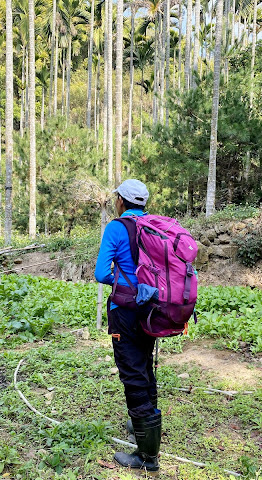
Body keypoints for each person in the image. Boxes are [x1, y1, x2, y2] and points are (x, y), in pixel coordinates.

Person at [94, 179, 161, 473]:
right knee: (144, 365)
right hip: (152, 311)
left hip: (126, 312)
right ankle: (143, 427)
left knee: (132, 374)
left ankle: (147, 457)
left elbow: (100, 273)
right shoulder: (156, 227)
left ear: (121, 201)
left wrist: (122, 284)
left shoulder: (116, 228)